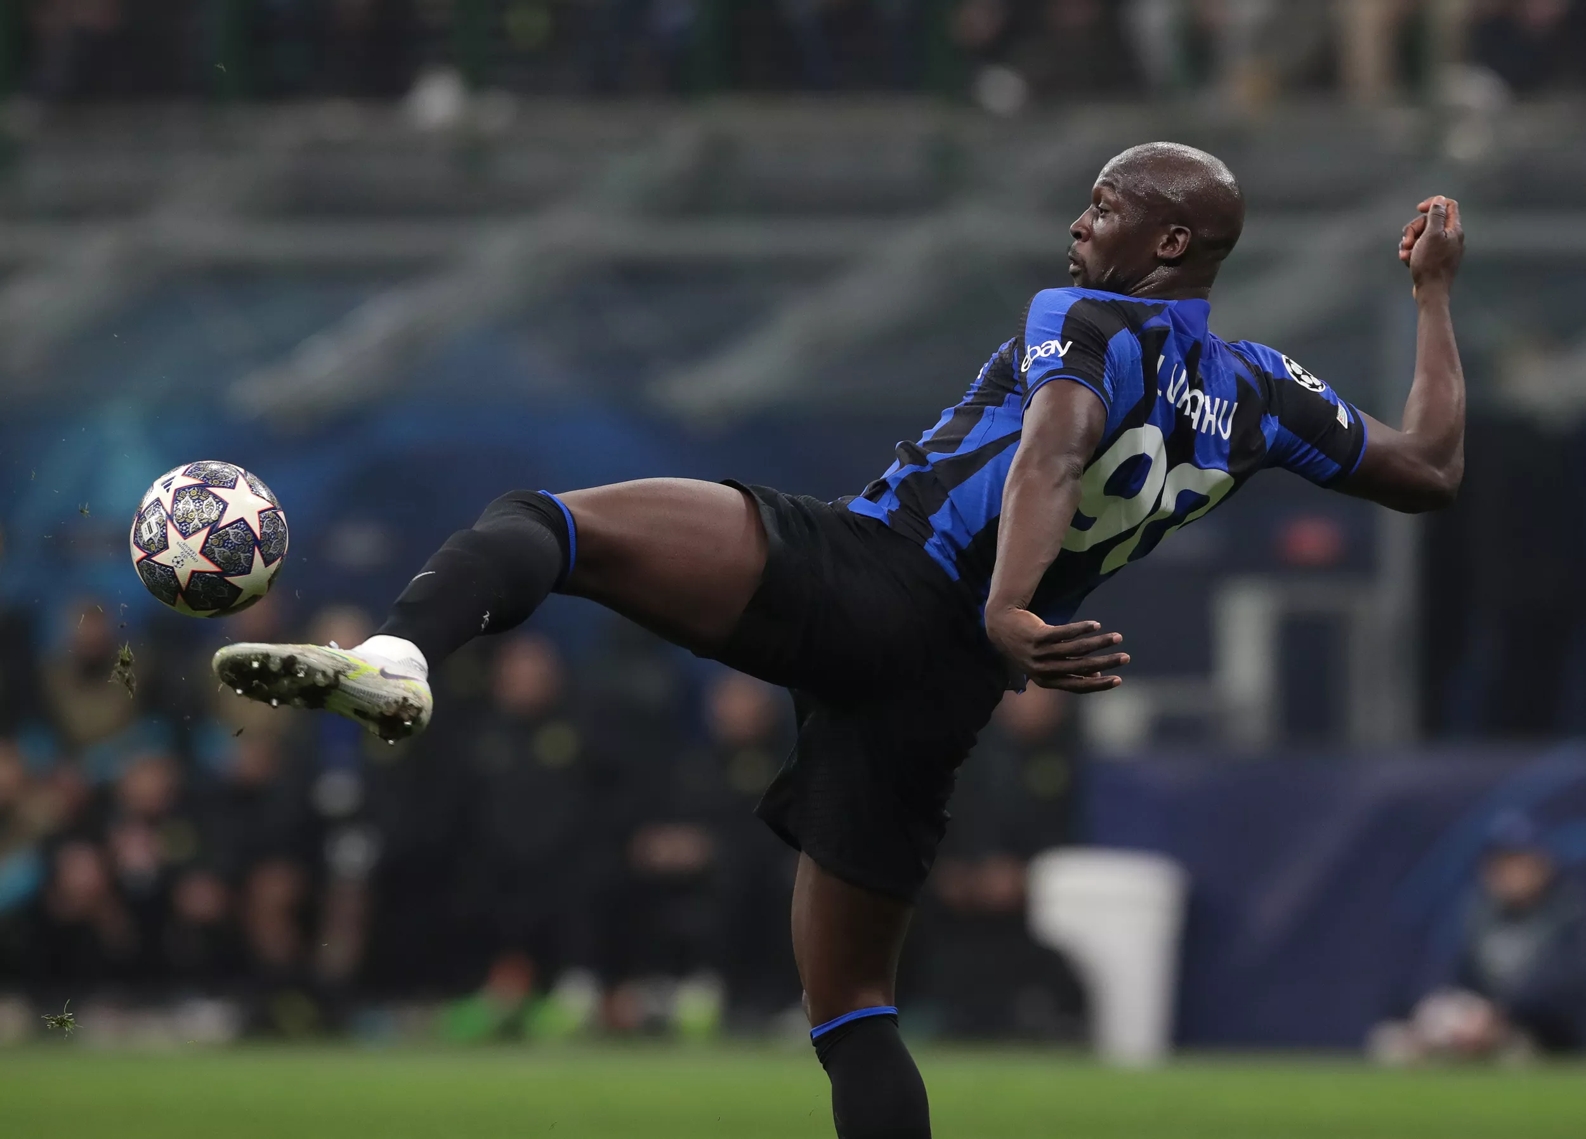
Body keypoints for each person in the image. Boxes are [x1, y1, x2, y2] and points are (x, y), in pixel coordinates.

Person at [213, 142, 1467, 1138]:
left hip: (884, 577)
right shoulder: (1256, 391)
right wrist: (1429, 298)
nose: (1079, 223)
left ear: (1170, 242)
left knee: (548, 522)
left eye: (1105, 206)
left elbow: (1053, 444)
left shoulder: (1083, 314)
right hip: (947, 686)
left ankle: (399, 657)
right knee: (852, 1009)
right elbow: (1425, 467)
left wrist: (1008, 601)